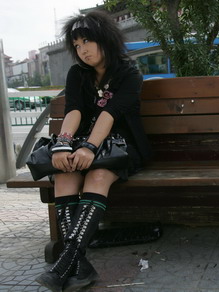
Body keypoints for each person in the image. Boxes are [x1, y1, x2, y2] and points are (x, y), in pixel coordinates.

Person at [35, 10, 151, 291]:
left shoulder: (129, 73)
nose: (82, 50)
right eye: (76, 45)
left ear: (105, 39)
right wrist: (63, 144)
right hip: (84, 145)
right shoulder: (78, 74)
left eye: (87, 41)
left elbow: (110, 114)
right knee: (63, 175)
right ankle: (78, 264)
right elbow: (73, 109)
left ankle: (66, 260)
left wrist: (89, 147)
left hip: (120, 146)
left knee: (98, 175)